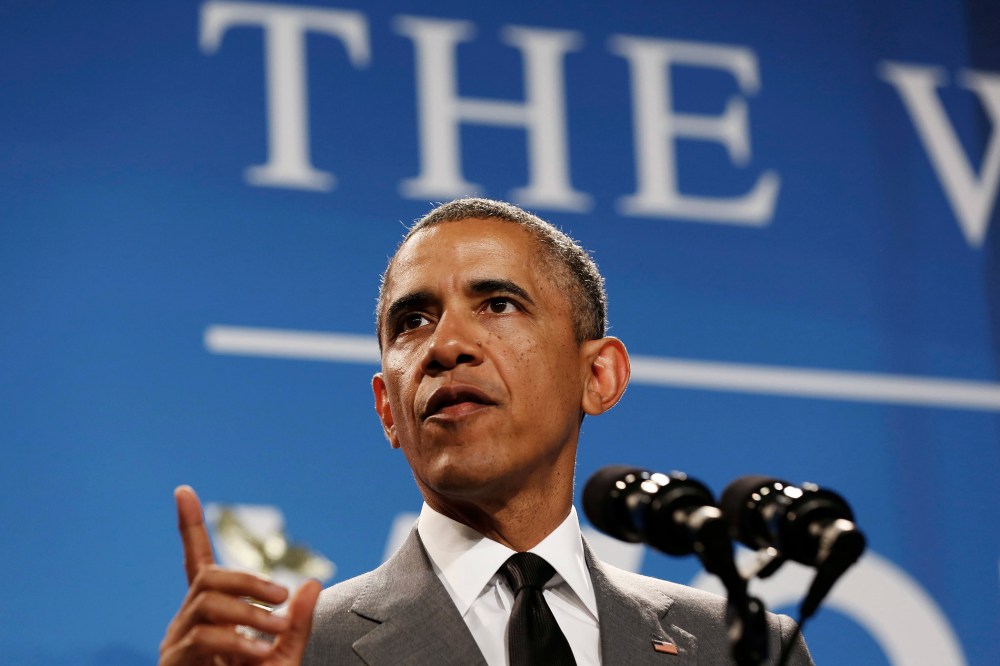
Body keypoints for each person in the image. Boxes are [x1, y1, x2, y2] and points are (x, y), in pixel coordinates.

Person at [159, 198, 813, 665]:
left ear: (599, 376)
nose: (445, 346)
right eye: (412, 321)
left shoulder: (740, 647)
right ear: (389, 408)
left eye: (498, 305)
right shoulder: (296, 655)